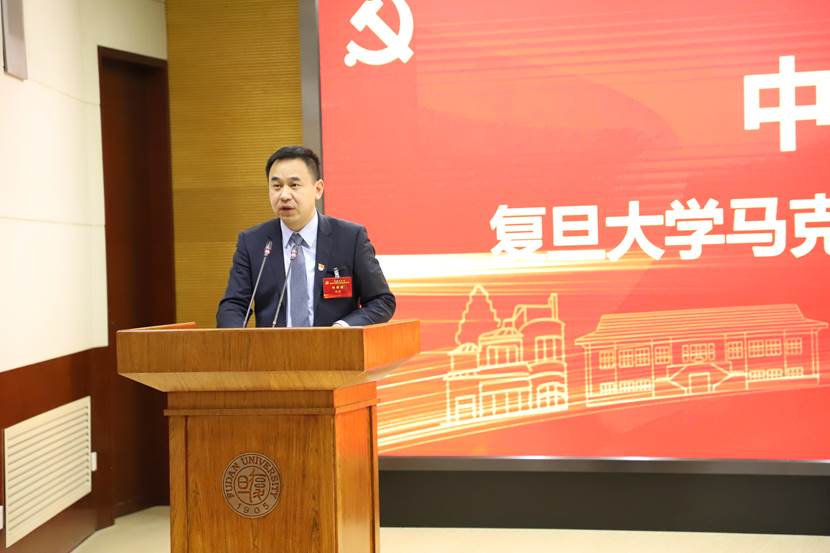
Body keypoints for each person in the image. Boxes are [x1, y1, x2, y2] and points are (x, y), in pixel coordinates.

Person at [216, 146, 395, 328]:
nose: (284, 195)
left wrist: (342, 329)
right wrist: (238, 339)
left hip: (335, 344)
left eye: (294, 185)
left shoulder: (350, 238)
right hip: (272, 346)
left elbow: (381, 301)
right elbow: (233, 306)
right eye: (276, 186)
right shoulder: (253, 242)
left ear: (318, 189)